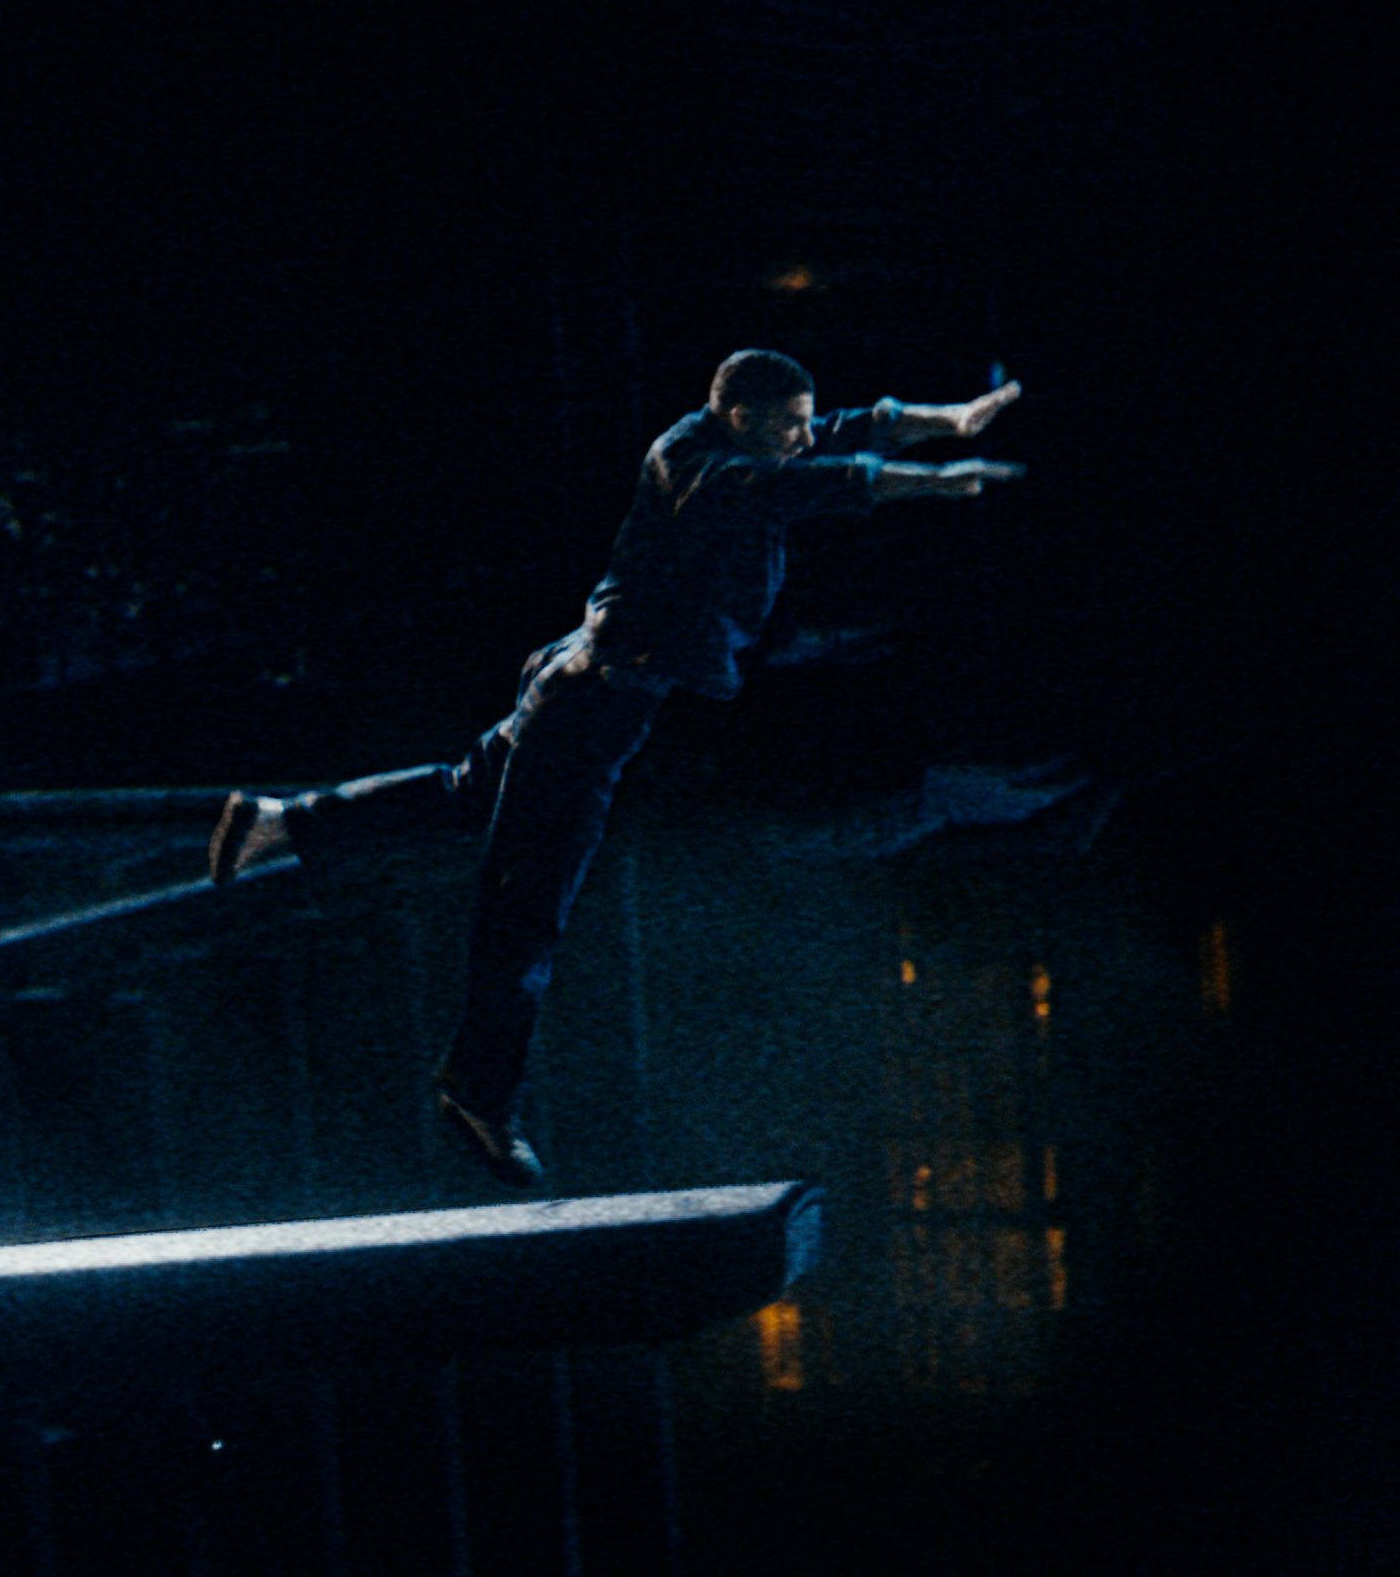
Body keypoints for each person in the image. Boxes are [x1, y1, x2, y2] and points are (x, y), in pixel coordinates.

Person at [209, 349, 1026, 1188]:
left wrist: (948, 420)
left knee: (468, 795)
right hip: (591, 705)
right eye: (788, 423)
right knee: (526, 909)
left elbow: (847, 431)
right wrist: (930, 482)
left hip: (585, 685)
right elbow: (792, 486)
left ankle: (280, 823)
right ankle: (477, 1089)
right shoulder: (697, 464)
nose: (804, 436)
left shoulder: (750, 444)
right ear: (740, 417)